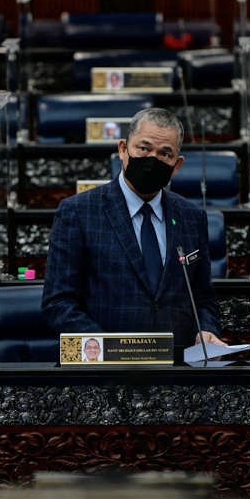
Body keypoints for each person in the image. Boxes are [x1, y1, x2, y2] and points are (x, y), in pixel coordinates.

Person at [42, 108, 224, 349]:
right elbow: (58, 301)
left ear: (176, 165)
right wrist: (108, 348)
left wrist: (206, 330)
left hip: (175, 373)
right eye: (144, 148)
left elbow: (203, 298)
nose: (153, 159)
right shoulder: (78, 212)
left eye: (165, 154)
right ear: (123, 150)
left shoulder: (192, 217)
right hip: (106, 375)